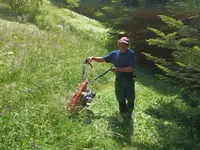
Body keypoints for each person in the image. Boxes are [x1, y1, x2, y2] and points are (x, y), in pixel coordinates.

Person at [87, 36, 136, 120]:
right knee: (120, 98)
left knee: (130, 98)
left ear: (128, 45)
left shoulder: (130, 54)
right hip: (119, 80)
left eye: (125, 44)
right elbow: (102, 59)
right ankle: (123, 114)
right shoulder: (114, 54)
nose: (123, 46)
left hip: (128, 80)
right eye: (121, 44)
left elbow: (131, 68)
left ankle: (130, 110)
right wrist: (93, 58)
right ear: (118, 44)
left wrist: (117, 69)